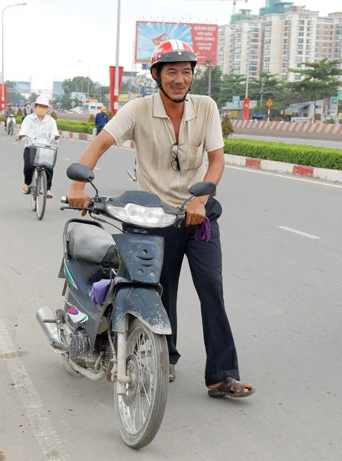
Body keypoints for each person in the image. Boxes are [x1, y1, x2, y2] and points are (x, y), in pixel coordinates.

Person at [67, 40, 255, 399]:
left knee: (211, 289)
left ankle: (222, 374)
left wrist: (200, 198)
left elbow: (216, 161)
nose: (180, 78)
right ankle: (163, 357)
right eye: (171, 71)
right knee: (160, 288)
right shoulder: (138, 110)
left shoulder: (206, 107)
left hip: (197, 216)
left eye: (186, 71)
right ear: (157, 75)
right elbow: (101, 143)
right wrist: (78, 182)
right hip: (153, 217)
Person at [15, 94, 59, 199]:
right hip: (31, 146)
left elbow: (54, 133)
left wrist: (56, 136)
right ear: (36, 106)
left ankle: (48, 189)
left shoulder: (51, 121)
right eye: (40, 106)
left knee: (49, 167)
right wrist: (20, 135)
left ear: (47, 108)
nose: (42, 108)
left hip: (45, 148)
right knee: (28, 167)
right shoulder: (28, 119)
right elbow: (24, 130)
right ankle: (27, 184)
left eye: (45, 106)